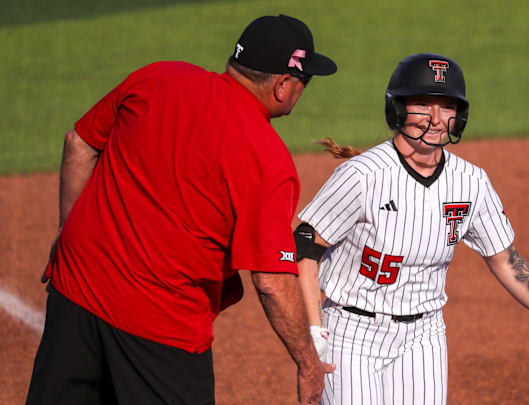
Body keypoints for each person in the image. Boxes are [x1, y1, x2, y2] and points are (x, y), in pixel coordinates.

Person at [26, 14, 337, 405]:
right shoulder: (268, 160)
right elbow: (272, 282)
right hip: (160, 329)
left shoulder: (157, 77)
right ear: (281, 86)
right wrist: (308, 365)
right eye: (304, 82)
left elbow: (79, 142)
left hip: (75, 289)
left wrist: (66, 233)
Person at [294, 53, 529, 405]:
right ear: (399, 109)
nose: (436, 119)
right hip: (350, 333)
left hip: (424, 335)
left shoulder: (471, 182)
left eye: (446, 107)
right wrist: (314, 329)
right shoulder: (362, 176)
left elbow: (504, 259)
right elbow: (306, 247)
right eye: (422, 104)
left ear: (458, 115)